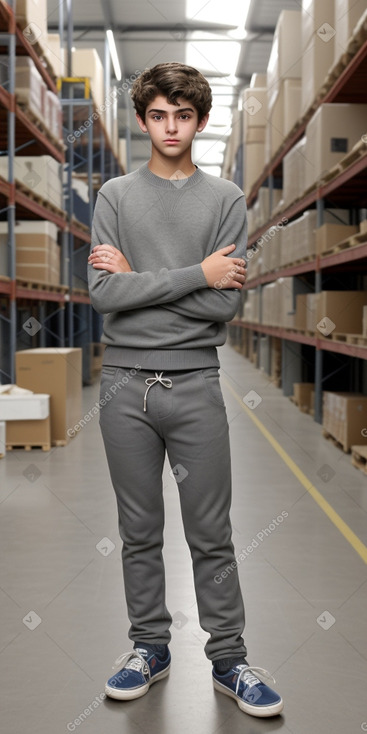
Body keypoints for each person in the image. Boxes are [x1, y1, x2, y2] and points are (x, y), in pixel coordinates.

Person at [88, 62, 283, 718]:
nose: (170, 128)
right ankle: (149, 647)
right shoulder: (114, 195)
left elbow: (224, 310)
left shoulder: (225, 198)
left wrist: (142, 279)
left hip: (196, 384)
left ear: (199, 120)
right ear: (143, 119)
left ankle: (228, 657)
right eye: (158, 115)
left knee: (210, 531)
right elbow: (103, 297)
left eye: (183, 115)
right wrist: (196, 274)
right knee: (138, 529)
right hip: (122, 390)